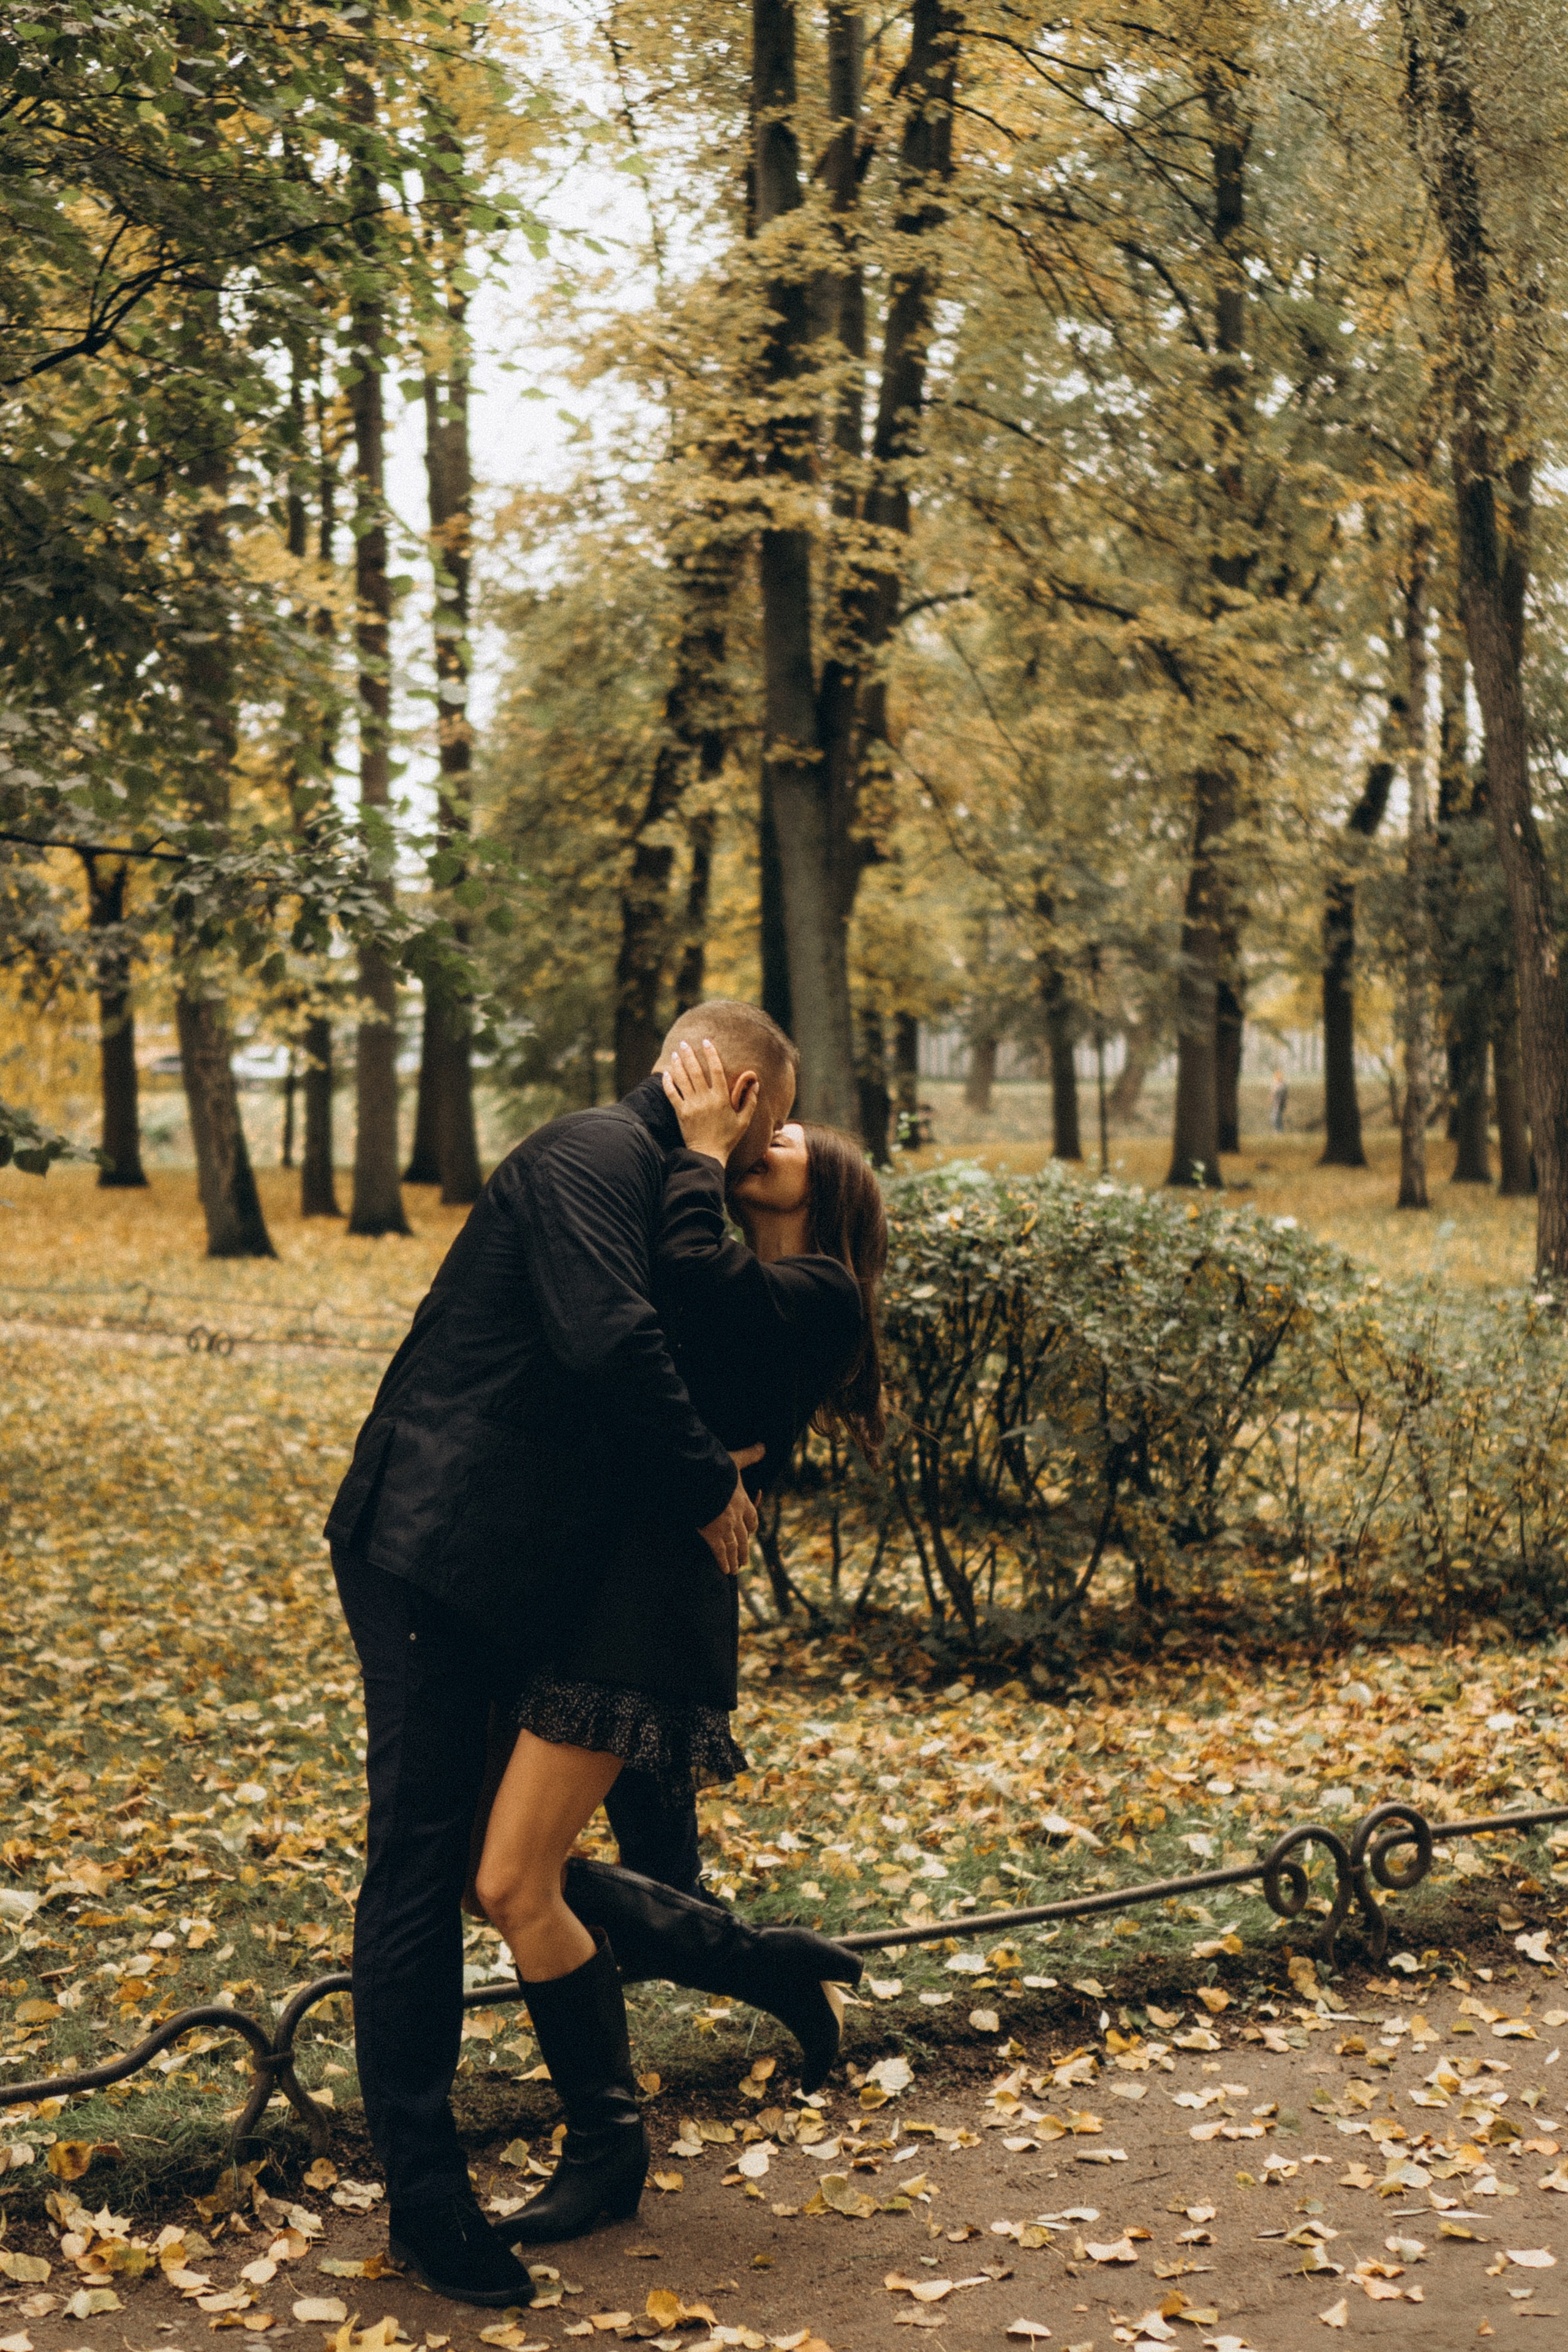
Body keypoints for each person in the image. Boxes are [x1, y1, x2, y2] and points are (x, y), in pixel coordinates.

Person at [326, 1002, 802, 2305]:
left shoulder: (666, 1192)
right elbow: (607, 1341)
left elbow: (710, 1350)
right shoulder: (591, 1154)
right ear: (743, 1088)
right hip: (433, 1550)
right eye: (776, 1123)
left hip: (524, 1577)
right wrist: (710, 1486)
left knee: (505, 1863)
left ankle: (709, 1997)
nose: (773, 1151)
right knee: (423, 1866)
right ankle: (427, 2202)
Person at [475, 1041, 889, 2252]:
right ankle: (754, 1963)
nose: (775, 1133)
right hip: (580, 1575)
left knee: (511, 1881)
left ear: (824, 1201)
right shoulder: (710, 1256)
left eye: (794, 1140)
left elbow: (693, 1282)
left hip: (648, 1602)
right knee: (476, 1862)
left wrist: (703, 1152)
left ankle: (606, 2149)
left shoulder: (816, 1295)